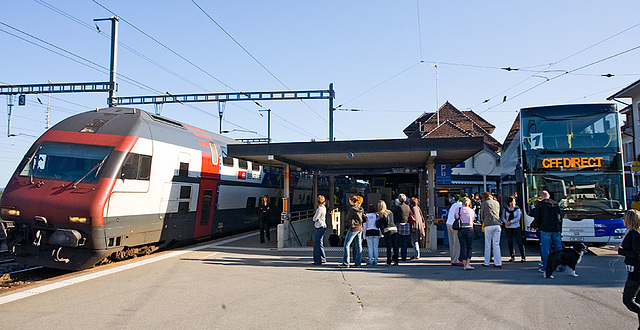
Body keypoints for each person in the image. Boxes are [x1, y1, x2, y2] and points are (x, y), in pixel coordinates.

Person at [617, 209, 640, 328]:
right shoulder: (632, 232)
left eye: (624, 217)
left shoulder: (634, 234)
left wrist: (620, 250)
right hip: (634, 270)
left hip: (636, 272)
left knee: (628, 300)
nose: (623, 220)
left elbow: (637, 254)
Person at [531, 190, 563, 273]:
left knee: (545, 248)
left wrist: (535, 226)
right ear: (549, 196)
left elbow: (537, 217)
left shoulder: (540, 204)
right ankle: (562, 266)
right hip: (556, 228)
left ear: (541, 196)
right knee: (559, 248)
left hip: (545, 228)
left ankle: (546, 266)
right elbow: (560, 217)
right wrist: (560, 229)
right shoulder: (556, 204)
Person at [339, 195, 365, 268]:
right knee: (359, 246)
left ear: (351, 201)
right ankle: (358, 263)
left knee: (346, 245)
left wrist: (350, 220)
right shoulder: (361, 208)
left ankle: (346, 262)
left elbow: (347, 218)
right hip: (360, 227)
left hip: (353, 228)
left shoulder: (352, 209)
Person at [481, 192, 502, 268]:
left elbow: (482, 215)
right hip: (497, 224)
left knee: (488, 244)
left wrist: (483, 220)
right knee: (496, 244)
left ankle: (486, 262)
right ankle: (498, 262)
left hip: (488, 224)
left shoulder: (484, 203)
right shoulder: (497, 203)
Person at [502, 195, 525, 262]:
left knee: (519, 241)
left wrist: (511, 222)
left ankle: (523, 256)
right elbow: (503, 217)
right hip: (508, 228)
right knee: (510, 242)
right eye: (511, 202)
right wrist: (505, 222)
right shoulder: (505, 209)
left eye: (513, 202)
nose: (512, 203)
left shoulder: (517, 209)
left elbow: (518, 218)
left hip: (516, 227)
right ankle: (512, 256)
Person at [456, 197, 476, 270]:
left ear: (462, 203)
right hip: (469, 228)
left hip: (461, 228)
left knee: (463, 246)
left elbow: (456, 217)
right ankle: (468, 263)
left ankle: (464, 264)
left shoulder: (458, 209)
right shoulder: (471, 211)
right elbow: (474, 218)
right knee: (469, 247)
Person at [377, 200, 399, 266]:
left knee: (389, 246)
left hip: (387, 230)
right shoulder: (390, 212)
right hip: (394, 229)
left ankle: (388, 261)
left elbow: (380, 224)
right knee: (395, 246)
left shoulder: (381, 214)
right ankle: (396, 260)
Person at [446, 194, 463, 266]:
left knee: (452, 243)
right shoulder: (461, 207)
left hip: (449, 223)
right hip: (455, 225)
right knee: (457, 243)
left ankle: (453, 258)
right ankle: (456, 260)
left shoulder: (454, 205)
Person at [311, 195, 327, 265]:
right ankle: (323, 258)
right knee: (320, 243)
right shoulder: (324, 208)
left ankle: (317, 260)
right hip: (323, 226)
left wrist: (314, 217)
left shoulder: (319, 209)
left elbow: (315, 218)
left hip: (319, 226)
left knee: (316, 244)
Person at [396, 193, 412, 261]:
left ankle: (396, 256)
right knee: (404, 243)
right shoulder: (408, 207)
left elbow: (395, 215)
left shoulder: (398, 207)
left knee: (397, 242)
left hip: (399, 224)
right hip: (406, 224)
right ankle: (404, 256)